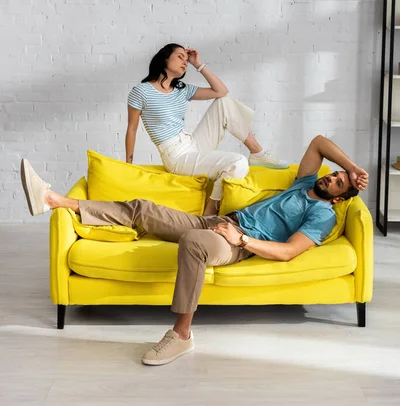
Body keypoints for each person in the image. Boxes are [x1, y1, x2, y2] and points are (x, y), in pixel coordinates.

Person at [20, 135, 368, 366]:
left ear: (338, 198)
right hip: (217, 219)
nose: (330, 178)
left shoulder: (321, 213)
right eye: (334, 174)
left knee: (194, 243)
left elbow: (289, 252)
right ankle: (53, 200)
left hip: (238, 241)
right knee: (142, 207)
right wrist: (353, 169)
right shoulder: (307, 182)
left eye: (338, 182)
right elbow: (319, 142)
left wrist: (241, 240)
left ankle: (181, 334)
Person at [125, 44, 289, 216]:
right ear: (164, 58)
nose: (184, 63)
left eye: (186, 60)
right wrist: (129, 165)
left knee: (224, 102)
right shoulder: (141, 91)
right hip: (175, 155)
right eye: (180, 57)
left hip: (192, 143)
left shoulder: (181, 89)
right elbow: (132, 129)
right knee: (238, 162)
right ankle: (210, 211)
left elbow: (221, 91)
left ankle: (257, 153)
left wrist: (198, 64)